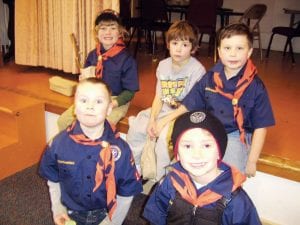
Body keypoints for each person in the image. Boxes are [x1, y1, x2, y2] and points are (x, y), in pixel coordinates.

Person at [150, 23, 275, 177]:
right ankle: (177, 185)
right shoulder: (210, 77)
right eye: (227, 48)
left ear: (249, 52)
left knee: (229, 175)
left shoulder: (256, 87)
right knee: (188, 159)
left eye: (239, 48)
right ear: (219, 52)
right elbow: (189, 104)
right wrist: (163, 121)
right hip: (207, 128)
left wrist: (252, 161)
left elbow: (261, 126)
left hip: (234, 134)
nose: (233, 54)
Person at [39, 78, 142, 225]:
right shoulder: (58, 144)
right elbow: (53, 179)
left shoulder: (122, 150)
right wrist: (58, 209)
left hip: (108, 214)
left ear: (109, 109)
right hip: (70, 213)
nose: (90, 107)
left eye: (98, 101)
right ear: (74, 106)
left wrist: (111, 222)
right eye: (83, 100)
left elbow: (126, 192)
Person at [143, 110, 262, 225]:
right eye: (188, 146)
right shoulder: (170, 183)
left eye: (206, 145)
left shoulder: (236, 201)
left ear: (219, 152)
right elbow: (157, 217)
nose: (197, 155)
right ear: (177, 154)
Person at [126, 20, 206, 181]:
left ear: (193, 48)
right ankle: (135, 168)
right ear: (168, 44)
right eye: (175, 43)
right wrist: (153, 119)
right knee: (137, 127)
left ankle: (163, 179)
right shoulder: (162, 65)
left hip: (185, 113)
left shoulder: (198, 70)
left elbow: (188, 106)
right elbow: (159, 96)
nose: (179, 49)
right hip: (165, 110)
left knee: (164, 139)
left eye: (185, 45)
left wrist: (162, 123)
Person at [57, 9, 139, 131]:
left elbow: (130, 92)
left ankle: (97, 149)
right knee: (63, 121)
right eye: (103, 28)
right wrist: (84, 81)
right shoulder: (93, 55)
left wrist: (112, 104)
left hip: (116, 100)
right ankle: (73, 148)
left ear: (120, 31)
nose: (108, 32)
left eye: (112, 28)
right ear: (96, 32)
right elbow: (88, 83)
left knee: (101, 127)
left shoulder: (127, 59)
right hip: (93, 97)